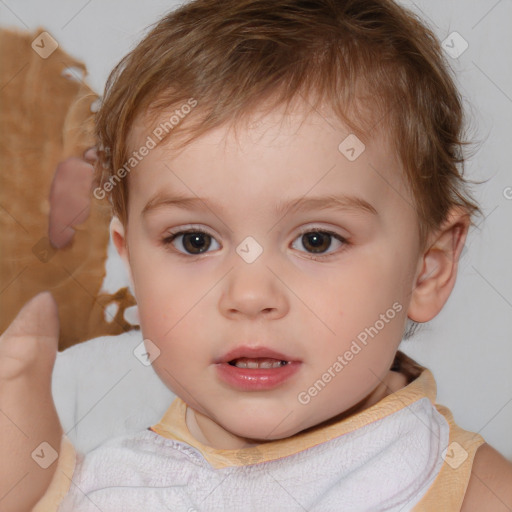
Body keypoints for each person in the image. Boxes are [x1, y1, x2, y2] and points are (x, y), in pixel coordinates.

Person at [1, 0, 511, 510]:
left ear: (428, 268)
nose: (249, 295)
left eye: (317, 240)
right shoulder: (107, 488)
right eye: (194, 241)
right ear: (131, 261)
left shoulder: (474, 492)